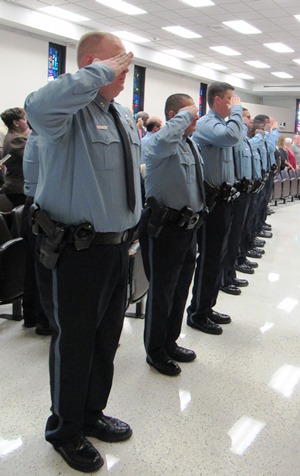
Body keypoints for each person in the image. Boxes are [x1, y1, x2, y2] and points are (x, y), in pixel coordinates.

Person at [25, 32, 142, 473]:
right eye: (119, 63)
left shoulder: (120, 116)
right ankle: (65, 428)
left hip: (116, 249)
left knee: (105, 338)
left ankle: (91, 413)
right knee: (74, 343)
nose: (126, 71)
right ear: (92, 63)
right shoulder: (63, 115)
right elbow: (36, 105)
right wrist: (98, 72)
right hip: (78, 251)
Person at [139, 93, 206, 376]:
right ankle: (155, 351)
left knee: (180, 290)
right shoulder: (156, 142)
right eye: (189, 114)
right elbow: (162, 142)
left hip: (188, 228)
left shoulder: (189, 144)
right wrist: (184, 115)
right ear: (172, 116)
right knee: (162, 292)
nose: (195, 118)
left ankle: (170, 341)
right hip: (164, 229)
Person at [186, 81, 243, 335]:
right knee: (208, 258)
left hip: (225, 200)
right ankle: (197, 312)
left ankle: (207, 306)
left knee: (217, 257)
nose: (234, 103)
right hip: (212, 202)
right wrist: (239, 112)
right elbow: (231, 136)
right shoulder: (208, 124)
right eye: (230, 99)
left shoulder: (221, 124)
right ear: (218, 100)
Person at [21, 128, 52, 334]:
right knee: (44, 264)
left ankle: (31, 314)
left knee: (34, 265)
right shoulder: (43, 138)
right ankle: (43, 319)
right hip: (41, 206)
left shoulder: (35, 136)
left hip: (32, 204)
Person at [0, 107, 29, 207]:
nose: (27, 121)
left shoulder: (11, 137)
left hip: (14, 187)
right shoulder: (16, 139)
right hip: (18, 188)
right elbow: (30, 159)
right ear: (16, 122)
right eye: (24, 119)